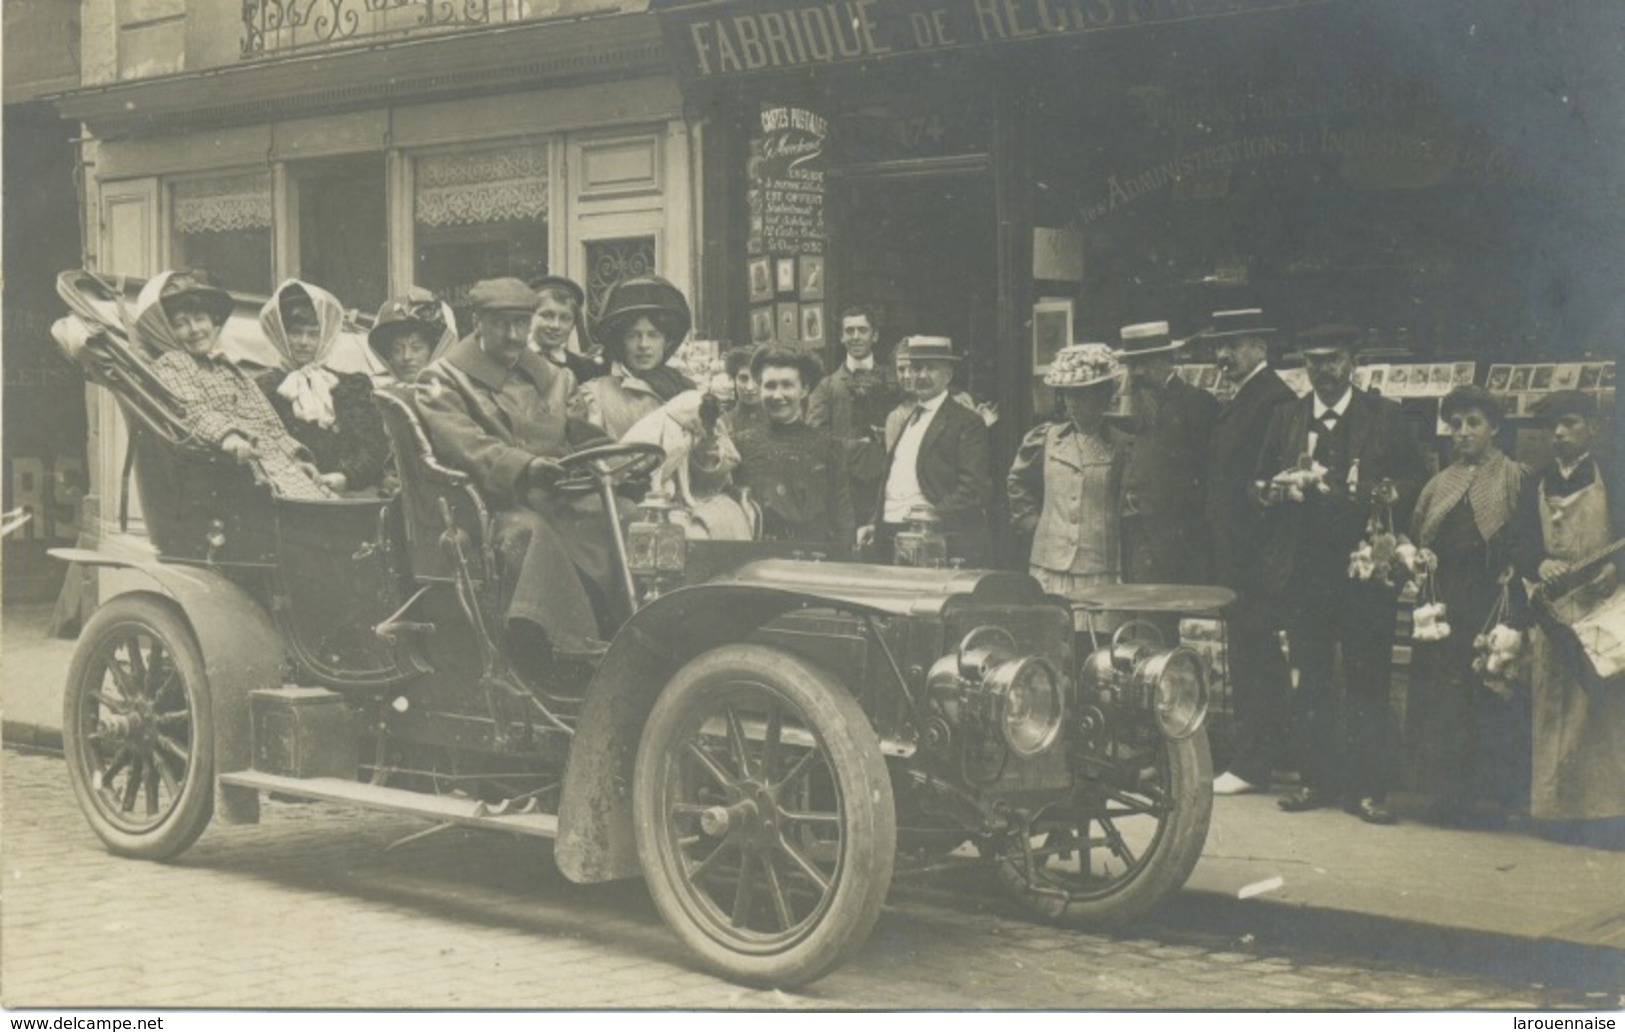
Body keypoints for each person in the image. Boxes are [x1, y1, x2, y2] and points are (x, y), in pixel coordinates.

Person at [1255, 325, 1427, 824]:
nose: (1323, 371)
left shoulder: (1383, 415)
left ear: (1352, 361)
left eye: (1332, 360)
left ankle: (1369, 790)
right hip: (1305, 570)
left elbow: (1415, 474)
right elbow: (1258, 484)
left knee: (1368, 679)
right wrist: (1276, 490)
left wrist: (1391, 492)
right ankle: (1317, 780)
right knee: (1310, 677)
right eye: (1313, 361)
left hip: (1364, 570)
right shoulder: (1286, 418)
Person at [414, 277, 620, 669]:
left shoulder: (557, 378)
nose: (513, 335)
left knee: (624, 516)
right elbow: (466, 445)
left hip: (558, 496)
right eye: (501, 324)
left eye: (521, 323)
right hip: (488, 507)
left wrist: (618, 463)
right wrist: (525, 466)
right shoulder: (442, 379)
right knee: (530, 535)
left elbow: (586, 436)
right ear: (478, 322)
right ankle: (561, 650)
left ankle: (626, 631)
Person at [1409, 386, 1529, 827]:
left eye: (1473, 423)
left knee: (1492, 689)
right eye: (1455, 424)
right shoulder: (1440, 482)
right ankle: (1449, 795)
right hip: (1448, 601)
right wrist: (1423, 557)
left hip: (1492, 598)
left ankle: (1496, 799)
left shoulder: (1514, 476)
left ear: (1494, 427)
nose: (1462, 433)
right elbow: (1419, 531)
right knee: (1448, 697)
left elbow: (1523, 537)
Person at [1511, 390, 1625, 843]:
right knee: (1552, 706)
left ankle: (1606, 814)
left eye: (1571, 423)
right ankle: (1553, 810)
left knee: (1602, 712)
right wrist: (1539, 564)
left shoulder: (1615, 478)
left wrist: (1616, 570)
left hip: (1604, 610)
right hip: (1553, 612)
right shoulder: (1534, 483)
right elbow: (1517, 543)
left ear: (1592, 429)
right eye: (1553, 426)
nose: (1559, 433)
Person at [1200, 309, 1299, 796]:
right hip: (1237, 550)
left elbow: (1268, 478)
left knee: (1254, 652)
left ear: (1260, 346)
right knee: (1253, 651)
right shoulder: (1247, 396)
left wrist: (1257, 549)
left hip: (1255, 551)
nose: (1222, 356)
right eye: (1219, 346)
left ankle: (1253, 761)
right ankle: (1273, 751)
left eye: (1233, 345)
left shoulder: (1273, 399)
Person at [135, 269, 337, 501]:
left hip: (276, 465)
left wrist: (297, 457)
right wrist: (228, 437)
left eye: (200, 319)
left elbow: (269, 422)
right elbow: (192, 410)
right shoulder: (174, 363)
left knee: (328, 502)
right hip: (237, 470)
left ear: (213, 323)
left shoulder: (228, 368)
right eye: (181, 324)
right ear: (165, 330)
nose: (195, 330)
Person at [1007, 343, 1132, 594]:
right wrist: (1035, 524)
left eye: (1082, 395)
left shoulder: (1121, 445)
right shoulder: (1045, 438)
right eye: (1067, 395)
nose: (1072, 403)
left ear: (1102, 396)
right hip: (1049, 566)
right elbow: (1017, 483)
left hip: (1099, 567)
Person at [860, 336, 991, 566]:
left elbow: (973, 490)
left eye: (931, 368)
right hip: (891, 534)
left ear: (948, 374)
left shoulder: (966, 422)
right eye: (917, 367)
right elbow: (895, 479)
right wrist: (874, 522)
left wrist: (929, 519)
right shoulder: (907, 419)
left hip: (934, 538)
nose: (920, 375)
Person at [257, 280, 391, 493]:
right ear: (281, 335)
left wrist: (345, 476)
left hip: (350, 493)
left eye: (313, 334)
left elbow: (373, 446)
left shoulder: (352, 385)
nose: (303, 341)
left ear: (326, 335)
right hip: (289, 490)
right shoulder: (265, 387)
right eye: (295, 333)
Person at [1114, 320, 1219, 584]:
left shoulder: (1198, 404)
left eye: (1143, 363)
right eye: (1130, 364)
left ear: (1166, 361)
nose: (1135, 373)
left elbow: (1209, 476)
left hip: (1181, 542)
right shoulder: (1137, 406)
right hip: (1139, 537)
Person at [733, 346, 855, 557]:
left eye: (787, 385)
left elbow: (843, 520)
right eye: (769, 386)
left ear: (805, 389)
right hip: (760, 563)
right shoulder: (741, 445)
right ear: (760, 389)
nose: (777, 395)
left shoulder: (829, 448)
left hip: (815, 563)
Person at [575, 275, 700, 439]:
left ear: (667, 342)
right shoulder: (597, 394)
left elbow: (716, 456)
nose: (643, 345)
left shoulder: (684, 388)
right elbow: (593, 456)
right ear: (620, 343)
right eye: (633, 335)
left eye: (653, 335)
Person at [808, 306, 902, 517]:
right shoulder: (827, 386)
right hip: (845, 487)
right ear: (841, 337)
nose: (856, 337)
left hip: (888, 481)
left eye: (862, 330)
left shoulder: (895, 380)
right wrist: (858, 448)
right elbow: (814, 438)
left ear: (875, 335)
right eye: (849, 331)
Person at [528, 274, 607, 385]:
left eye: (565, 318)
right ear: (529, 316)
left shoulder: (582, 369)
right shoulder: (513, 359)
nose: (555, 325)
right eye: (547, 315)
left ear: (573, 323)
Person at [367, 289, 457, 385]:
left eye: (416, 348)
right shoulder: (378, 394)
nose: (406, 357)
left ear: (434, 351)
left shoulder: (454, 393)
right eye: (397, 350)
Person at [719, 345, 769, 439]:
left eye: (757, 379)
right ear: (734, 379)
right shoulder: (722, 425)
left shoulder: (781, 421)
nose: (750, 387)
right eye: (743, 379)